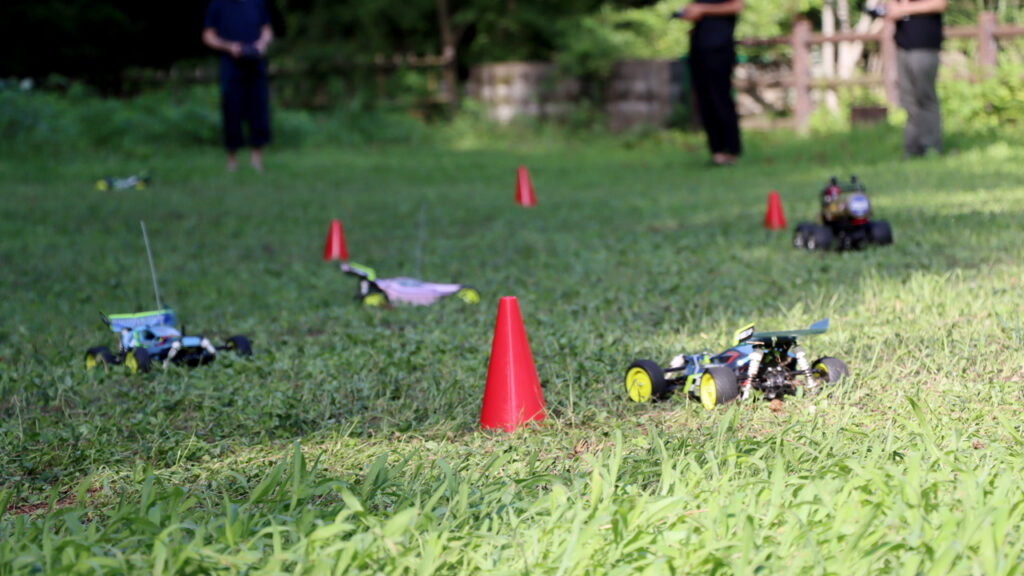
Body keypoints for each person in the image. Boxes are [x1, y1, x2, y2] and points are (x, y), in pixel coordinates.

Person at [202, 0, 274, 172]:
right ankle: (232, 160)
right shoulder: (217, 5)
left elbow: (267, 30)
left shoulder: (257, 3)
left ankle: (256, 160)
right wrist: (229, 47)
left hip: (256, 64)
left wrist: (262, 43)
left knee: (259, 110)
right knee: (231, 110)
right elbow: (208, 35)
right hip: (231, 66)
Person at [675, 0, 744, 166]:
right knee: (705, 102)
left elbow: (737, 5)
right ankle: (717, 152)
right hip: (699, 50)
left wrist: (703, 9)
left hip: (719, 50)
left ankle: (732, 150)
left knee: (720, 98)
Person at [883, 0, 946, 157]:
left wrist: (904, 9)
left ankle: (932, 147)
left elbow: (940, 4)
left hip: (924, 46)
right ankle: (912, 149)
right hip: (903, 47)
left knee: (925, 97)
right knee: (908, 100)